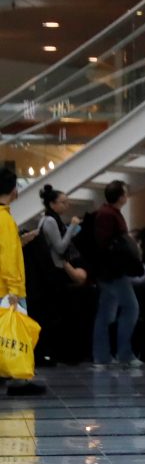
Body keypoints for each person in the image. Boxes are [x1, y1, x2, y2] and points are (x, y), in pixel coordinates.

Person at [0, 169, 47, 396]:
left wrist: (20, 241)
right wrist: (15, 291)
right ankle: (19, 379)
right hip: (7, 289)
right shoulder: (5, 219)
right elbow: (7, 258)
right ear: (12, 190)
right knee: (15, 334)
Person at [91, 180, 141, 368]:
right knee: (130, 308)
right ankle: (124, 353)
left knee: (106, 312)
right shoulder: (108, 215)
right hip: (113, 272)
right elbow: (105, 244)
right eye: (125, 193)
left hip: (110, 272)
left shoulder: (108, 213)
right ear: (121, 196)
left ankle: (103, 356)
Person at [30, 186, 83, 365]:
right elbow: (60, 247)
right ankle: (50, 353)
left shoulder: (48, 219)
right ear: (52, 203)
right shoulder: (51, 221)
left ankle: (50, 353)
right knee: (54, 315)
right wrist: (72, 227)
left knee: (52, 314)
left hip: (51, 272)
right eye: (63, 202)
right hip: (54, 272)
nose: (66, 206)